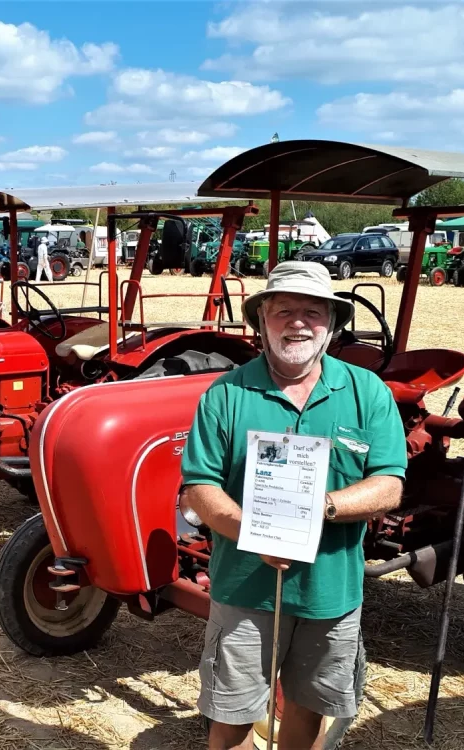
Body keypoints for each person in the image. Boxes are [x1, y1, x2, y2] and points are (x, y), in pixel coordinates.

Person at [179, 261, 406, 750]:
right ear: (262, 320)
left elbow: (388, 485)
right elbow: (199, 487)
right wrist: (254, 531)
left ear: (332, 322)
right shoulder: (225, 394)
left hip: (331, 593)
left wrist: (317, 508)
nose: (298, 322)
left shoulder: (367, 392)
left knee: (306, 712)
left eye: (312, 311)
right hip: (244, 589)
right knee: (232, 717)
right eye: (283, 311)